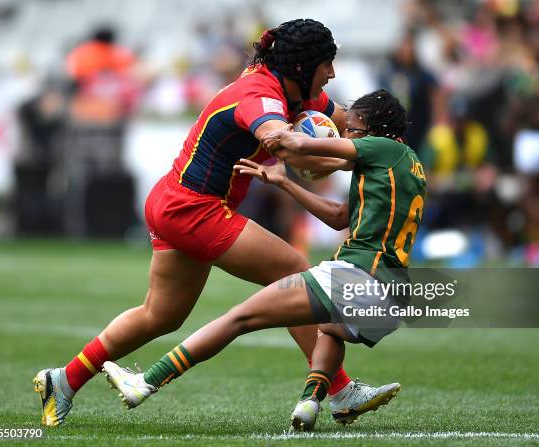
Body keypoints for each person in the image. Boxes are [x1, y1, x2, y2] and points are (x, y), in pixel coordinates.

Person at [33, 19, 388, 427]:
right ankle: (340, 390)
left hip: (175, 200)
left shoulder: (290, 90)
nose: (333, 73)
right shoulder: (262, 95)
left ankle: (63, 379)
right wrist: (348, 159)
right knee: (295, 274)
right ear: (302, 68)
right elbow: (280, 140)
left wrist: (386, 144)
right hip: (194, 208)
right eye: (327, 64)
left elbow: (344, 121)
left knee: (161, 315)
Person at [102, 89, 427, 431]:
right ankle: (315, 401)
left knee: (239, 318)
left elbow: (302, 147)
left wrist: (278, 130)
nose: (346, 135)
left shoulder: (382, 147)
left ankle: (145, 382)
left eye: (353, 130)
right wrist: (285, 184)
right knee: (329, 329)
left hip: (360, 275)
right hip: (391, 293)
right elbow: (339, 216)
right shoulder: (407, 161)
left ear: (374, 130)